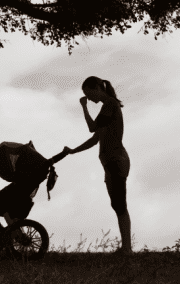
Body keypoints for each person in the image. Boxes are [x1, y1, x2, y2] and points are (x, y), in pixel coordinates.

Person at [62, 76, 132, 255]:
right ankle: (125, 248)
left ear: (96, 88)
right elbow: (95, 138)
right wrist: (73, 151)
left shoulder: (109, 104)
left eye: (88, 93)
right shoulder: (107, 108)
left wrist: (84, 107)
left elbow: (92, 128)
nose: (89, 98)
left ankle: (127, 249)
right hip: (110, 162)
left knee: (120, 204)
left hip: (117, 160)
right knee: (117, 205)